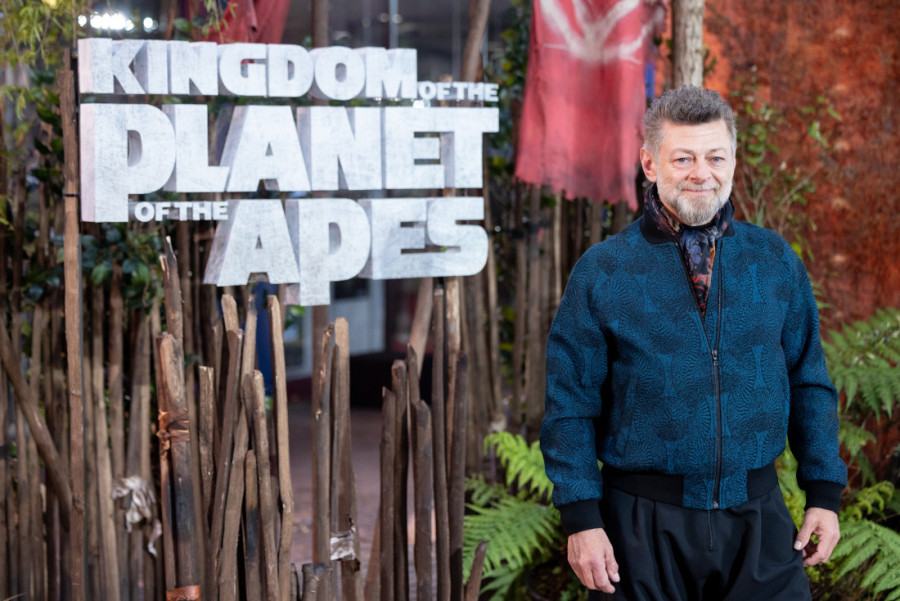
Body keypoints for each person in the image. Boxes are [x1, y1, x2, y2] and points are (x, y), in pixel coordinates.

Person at [540, 86, 847, 601]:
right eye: (683, 158)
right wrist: (581, 518)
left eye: (715, 157)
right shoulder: (603, 271)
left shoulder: (773, 260)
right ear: (650, 163)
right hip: (638, 527)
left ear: (733, 162)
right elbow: (569, 403)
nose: (701, 173)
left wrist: (823, 492)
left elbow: (809, 381)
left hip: (759, 521)